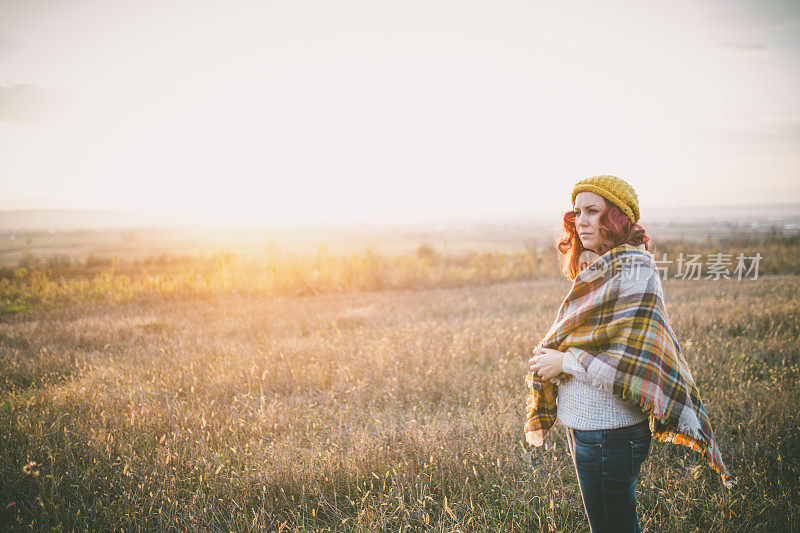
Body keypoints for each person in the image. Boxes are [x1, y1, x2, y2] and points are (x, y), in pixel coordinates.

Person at [524, 175, 732, 533]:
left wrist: (563, 361)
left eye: (592, 211)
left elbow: (629, 360)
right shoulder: (603, 266)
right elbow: (594, 340)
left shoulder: (635, 268)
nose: (582, 220)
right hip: (589, 426)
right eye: (577, 213)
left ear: (616, 217)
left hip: (610, 431)